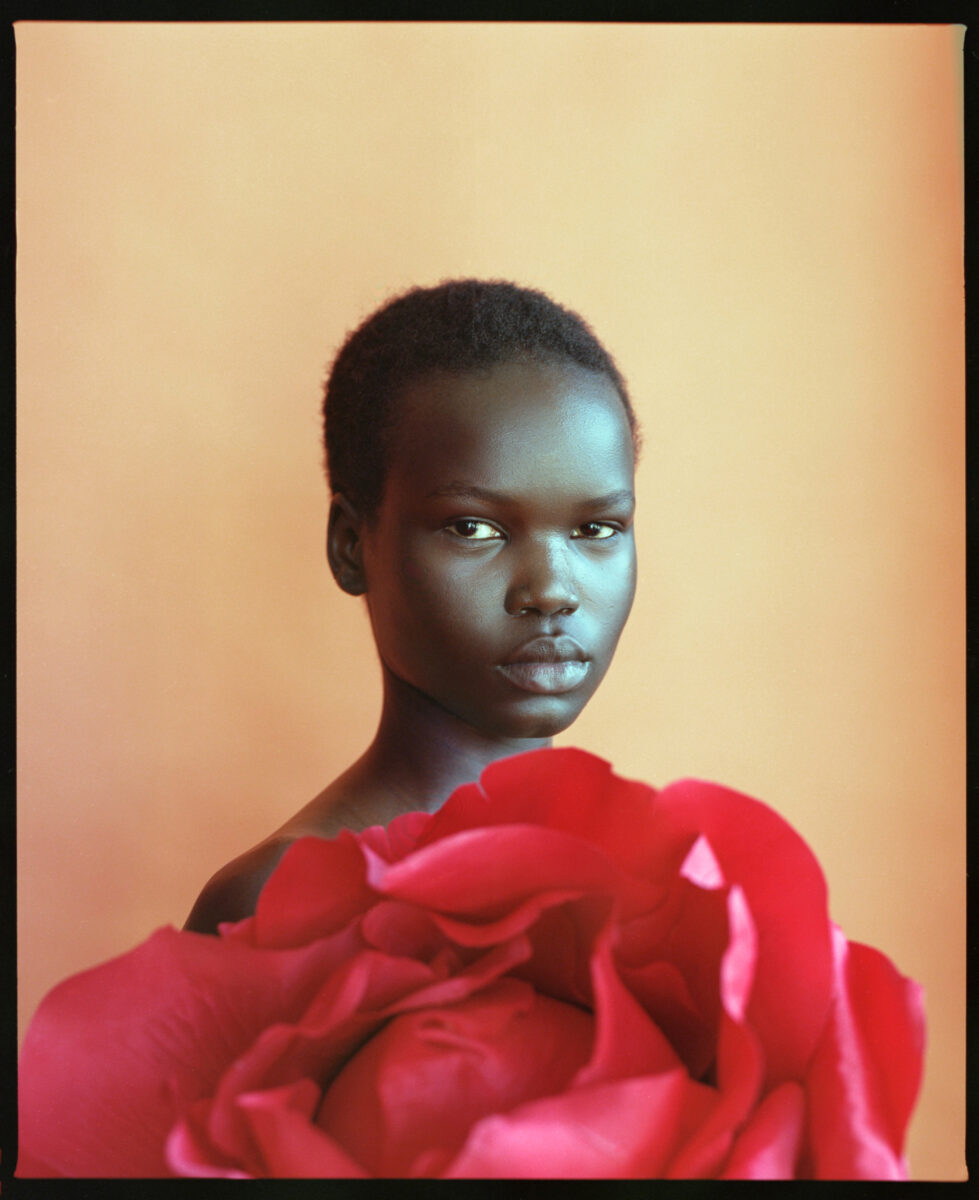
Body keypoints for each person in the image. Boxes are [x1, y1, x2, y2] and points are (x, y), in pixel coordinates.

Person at [184, 279, 640, 934]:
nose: (551, 590)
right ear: (350, 546)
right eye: (472, 529)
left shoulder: (665, 885)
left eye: (595, 530)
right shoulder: (275, 907)